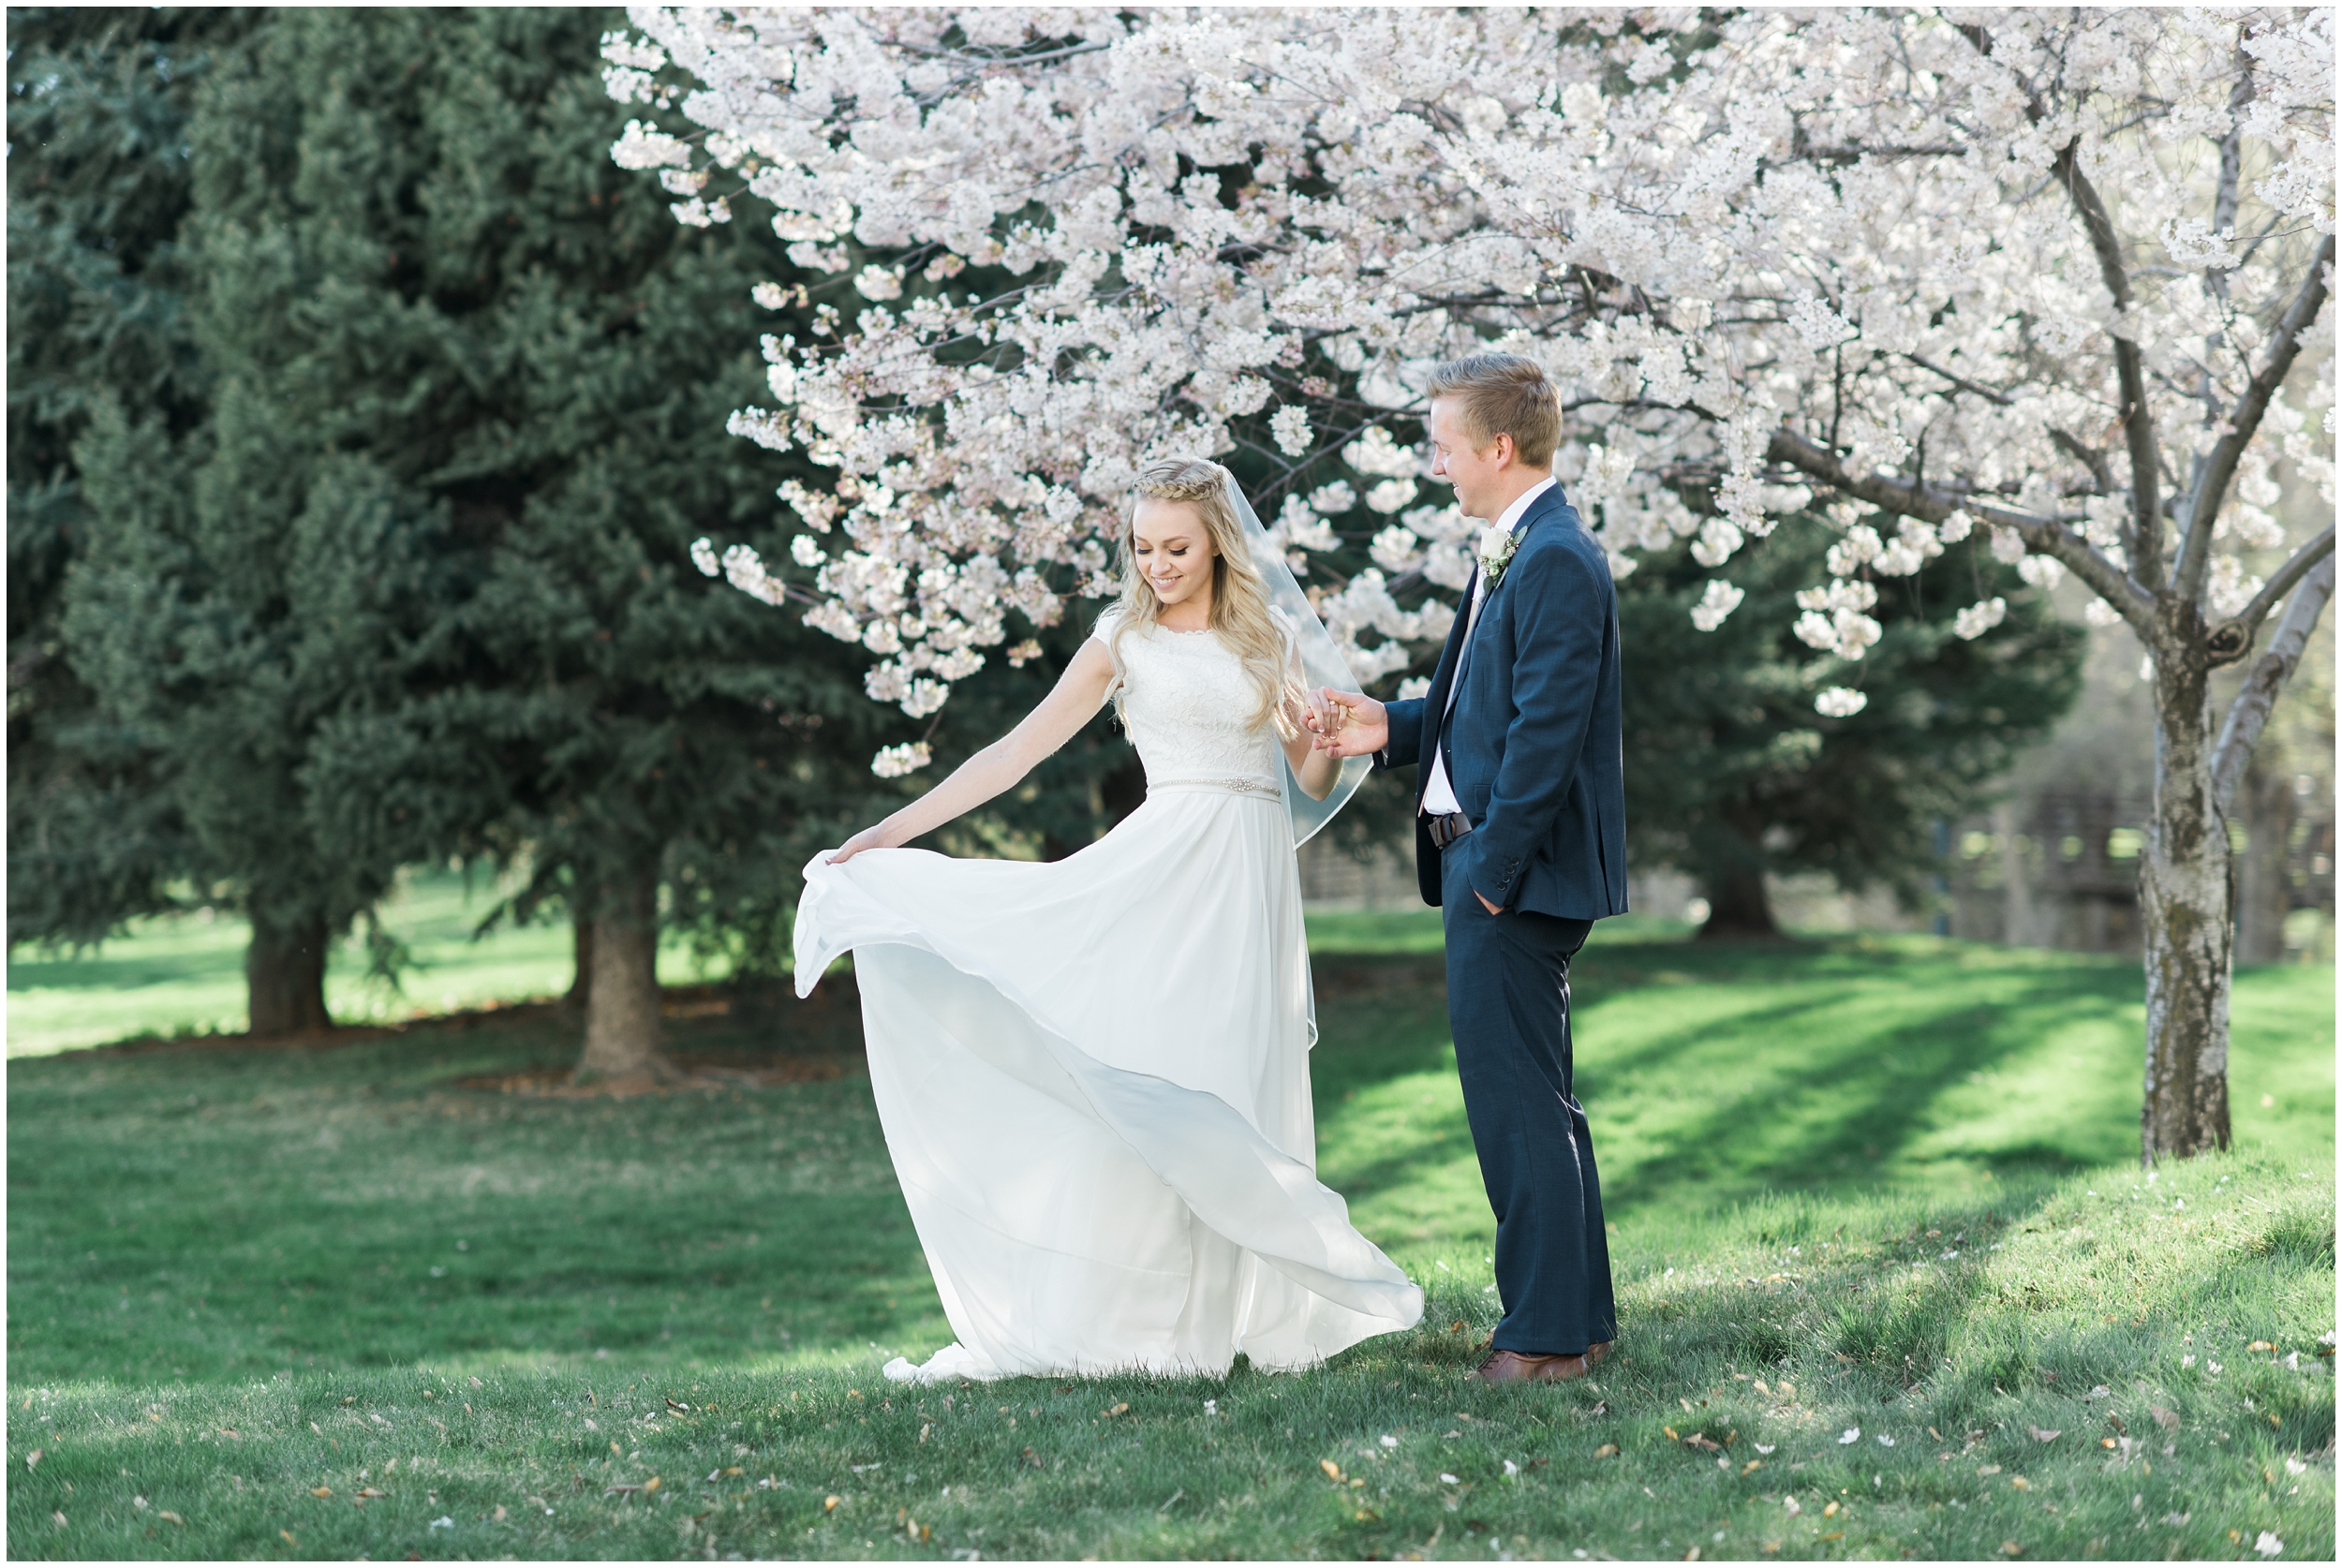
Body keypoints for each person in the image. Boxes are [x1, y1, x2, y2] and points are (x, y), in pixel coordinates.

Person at [794, 456, 1423, 1383]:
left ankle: (1216, 1328)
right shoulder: (1120, 639)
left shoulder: (1268, 638)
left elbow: (1309, 776)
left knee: (1234, 1074)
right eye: (1142, 547)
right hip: (1162, 867)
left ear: (1216, 542)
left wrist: (1324, 739)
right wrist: (888, 832)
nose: (1158, 565)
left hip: (1246, 880)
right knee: (1157, 1073)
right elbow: (1013, 753)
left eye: (1176, 547)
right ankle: (1141, 1322)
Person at [1312, 352, 1628, 1384]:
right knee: (1540, 1104)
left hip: (1506, 877)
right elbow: (1485, 709)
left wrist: (1488, 869)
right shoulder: (1515, 549)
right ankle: (1573, 1327)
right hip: (1494, 870)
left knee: (1516, 1109)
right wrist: (1390, 725)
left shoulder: (1552, 559)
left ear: (1497, 447)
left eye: (1444, 439)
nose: (1434, 458)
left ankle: (1537, 1343)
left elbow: (1545, 735)